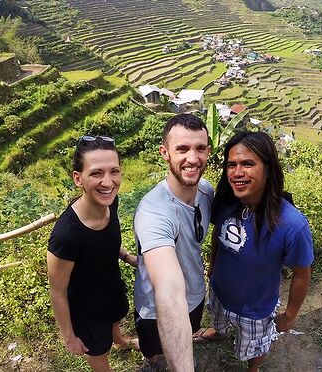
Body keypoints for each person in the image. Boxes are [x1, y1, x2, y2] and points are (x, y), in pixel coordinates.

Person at [196, 131, 314, 372]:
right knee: (218, 318)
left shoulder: (292, 224)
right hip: (220, 291)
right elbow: (218, 236)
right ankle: (219, 330)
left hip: (256, 309)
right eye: (232, 165)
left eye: (248, 164)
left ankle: (253, 368)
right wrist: (212, 267)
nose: (237, 173)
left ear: (269, 169)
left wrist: (289, 316)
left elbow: (302, 273)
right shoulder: (226, 202)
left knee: (255, 346)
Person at [47, 135, 138, 372]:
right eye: (97, 173)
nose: (108, 182)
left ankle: (120, 341)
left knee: (117, 316)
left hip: (111, 287)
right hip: (87, 310)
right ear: (78, 178)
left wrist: (127, 256)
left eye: (114, 171)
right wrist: (69, 337)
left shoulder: (110, 202)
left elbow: (104, 242)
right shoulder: (66, 235)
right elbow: (57, 292)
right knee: (98, 351)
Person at [133, 113, 213, 371]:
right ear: (164, 153)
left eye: (200, 148)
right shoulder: (153, 212)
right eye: (182, 149)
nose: (193, 158)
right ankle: (153, 361)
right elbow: (168, 290)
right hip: (155, 306)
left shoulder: (207, 191)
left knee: (188, 331)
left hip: (196, 293)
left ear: (208, 151)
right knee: (152, 348)